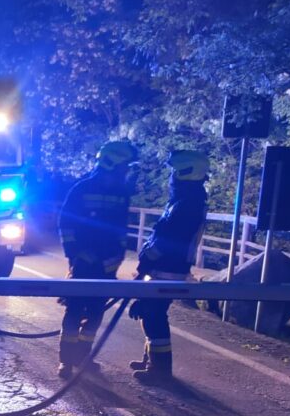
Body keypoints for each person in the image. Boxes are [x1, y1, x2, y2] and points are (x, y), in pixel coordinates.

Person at [56, 141, 137, 379]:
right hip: (83, 262)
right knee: (74, 311)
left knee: (95, 313)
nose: (126, 172)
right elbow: (65, 224)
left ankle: (83, 357)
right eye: (124, 167)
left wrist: (118, 256)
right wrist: (76, 253)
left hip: (107, 263)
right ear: (111, 164)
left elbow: (121, 228)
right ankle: (66, 361)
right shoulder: (81, 189)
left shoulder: (121, 194)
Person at [128, 150, 209, 384]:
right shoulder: (185, 201)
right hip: (165, 268)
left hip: (167, 269)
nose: (171, 177)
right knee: (150, 313)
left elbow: (166, 240)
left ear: (185, 173)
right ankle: (152, 361)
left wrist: (146, 262)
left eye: (175, 172)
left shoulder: (187, 205)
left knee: (153, 315)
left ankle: (160, 370)